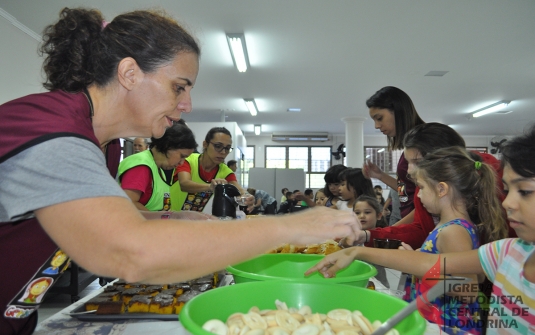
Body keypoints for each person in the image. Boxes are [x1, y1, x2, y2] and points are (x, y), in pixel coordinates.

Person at [0, 8, 360, 334]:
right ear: (129, 73)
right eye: (179, 88)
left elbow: (92, 223)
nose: (186, 105)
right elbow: (127, 252)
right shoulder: (53, 132)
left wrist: (169, 218)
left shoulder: (101, 144)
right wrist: (288, 227)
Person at [307, 125, 535, 334]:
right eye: (507, 190)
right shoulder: (505, 251)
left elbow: (468, 289)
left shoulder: (454, 231)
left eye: (524, 191)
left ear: (442, 189)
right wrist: (359, 251)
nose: (507, 203)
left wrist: (415, 267)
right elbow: (431, 264)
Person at [343, 123, 513, 250]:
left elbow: (463, 284)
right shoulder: (429, 184)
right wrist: (368, 235)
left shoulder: (496, 184)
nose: (409, 171)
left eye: (416, 162)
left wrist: (419, 263)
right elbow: (420, 228)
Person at [363, 86, 424, 222]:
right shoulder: (410, 145)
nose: (376, 126)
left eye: (379, 118)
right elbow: (406, 190)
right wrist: (380, 175)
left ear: (398, 111)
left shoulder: (425, 141)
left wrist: (395, 230)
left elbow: (430, 200)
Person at [118, 122, 197, 211]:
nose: (182, 163)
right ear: (168, 146)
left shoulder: (158, 169)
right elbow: (128, 203)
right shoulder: (141, 166)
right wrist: (157, 221)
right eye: (182, 156)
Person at [171, 127, 246, 212]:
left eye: (227, 148)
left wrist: (246, 196)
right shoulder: (188, 160)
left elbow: (239, 189)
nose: (223, 152)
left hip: (193, 221)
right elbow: (184, 184)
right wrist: (210, 187)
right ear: (205, 144)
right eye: (218, 146)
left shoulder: (225, 170)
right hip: (170, 217)